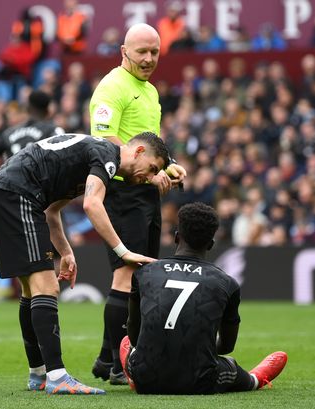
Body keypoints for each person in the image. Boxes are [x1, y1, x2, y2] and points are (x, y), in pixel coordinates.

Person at [0, 132, 170, 395]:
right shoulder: (107, 156)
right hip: (17, 195)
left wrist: (66, 251)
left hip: (2, 193)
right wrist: (123, 251)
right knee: (46, 287)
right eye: (152, 168)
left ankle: (38, 375)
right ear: (138, 151)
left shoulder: (92, 159)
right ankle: (57, 376)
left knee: (30, 288)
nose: (150, 178)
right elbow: (93, 205)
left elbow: (52, 211)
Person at [88, 22, 187, 385]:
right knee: (126, 273)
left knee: (141, 278)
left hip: (144, 191)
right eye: (141, 51)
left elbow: (151, 142)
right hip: (121, 189)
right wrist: (146, 169)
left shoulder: (150, 92)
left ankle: (106, 359)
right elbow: (103, 139)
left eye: (154, 52)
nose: (148, 59)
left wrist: (169, 164)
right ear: (123, 51)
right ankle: (118, 364)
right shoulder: (112, 87)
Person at [120, 202, 288, 394]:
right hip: (199, 382)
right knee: (229, 364)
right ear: (211, 244)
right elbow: (226, 346)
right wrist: (196, 346)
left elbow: (134, 335)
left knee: (128, 343)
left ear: (176, 237)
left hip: (145, 379)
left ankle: (132, 370)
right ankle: (255, 379)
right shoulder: (226, 283)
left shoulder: (145, 273)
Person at [0, 90, 63, 174]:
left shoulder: (9, 133)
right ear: (48, 111)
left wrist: (0, 178)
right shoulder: (53, 131)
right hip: (42, 185)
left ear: (28, 108)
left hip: (14, 185)